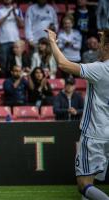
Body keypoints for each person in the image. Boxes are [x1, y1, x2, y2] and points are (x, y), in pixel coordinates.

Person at [46, 28, 109, 200]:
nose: (98, 49)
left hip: (94, 134)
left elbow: (63, 64)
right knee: (91, 182)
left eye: (101, 45)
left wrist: (52, 41)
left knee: (83, 184)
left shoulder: (101, 69)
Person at [0, 0, 24, 67]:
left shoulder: (17, 10)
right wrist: (7, 15)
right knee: (4, 62)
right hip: (3, 41)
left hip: (15, 40)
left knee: (17, 62)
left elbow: (22, 24)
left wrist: (15, 14)